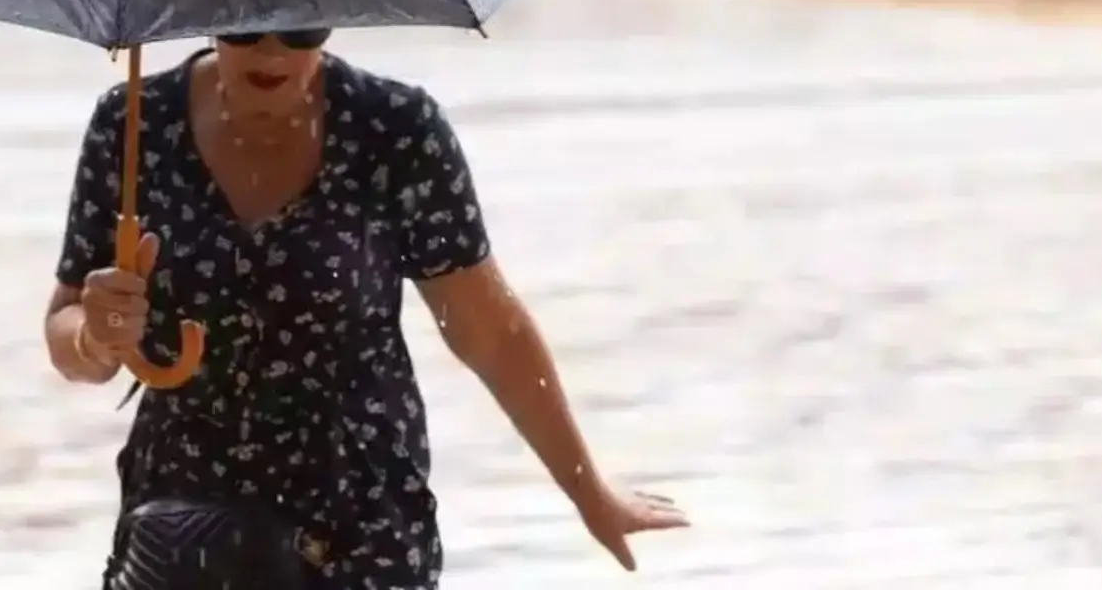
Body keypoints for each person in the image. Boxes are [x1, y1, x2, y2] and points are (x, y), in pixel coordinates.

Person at [44, 32, 687, 589]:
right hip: (184, 526)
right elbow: (69, 331)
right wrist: (97, 338)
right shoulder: (133, 125)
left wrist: (587, 490)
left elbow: (488, 331)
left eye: (299, 25)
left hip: (360, 525)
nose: (271, 48)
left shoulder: (397, 130)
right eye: (246, 22)